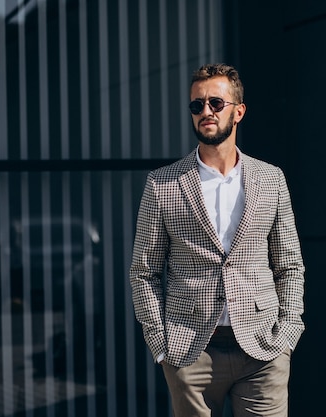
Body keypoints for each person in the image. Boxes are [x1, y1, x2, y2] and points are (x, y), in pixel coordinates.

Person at [129, 63, 305, 417]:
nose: (205, 111)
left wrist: (288, 333)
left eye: (215, 103)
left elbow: (289, 264)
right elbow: (143, 271)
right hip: (191, 349)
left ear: (238, 111)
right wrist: (160, 345)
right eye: (197, 105)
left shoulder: (271, 179)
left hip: (263, 349)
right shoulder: (162, 184)